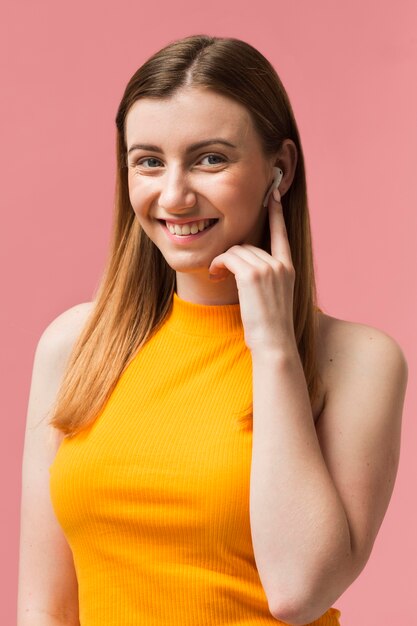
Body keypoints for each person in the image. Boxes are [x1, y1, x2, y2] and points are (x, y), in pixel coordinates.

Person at [17, 34, 408, 626]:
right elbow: (44, 607)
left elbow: (298, 591)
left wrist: (273, 346)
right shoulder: (75, 346)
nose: (173, 195)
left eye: (210, 159)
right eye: (148, 160)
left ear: (280, 169)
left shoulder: (356, 360)